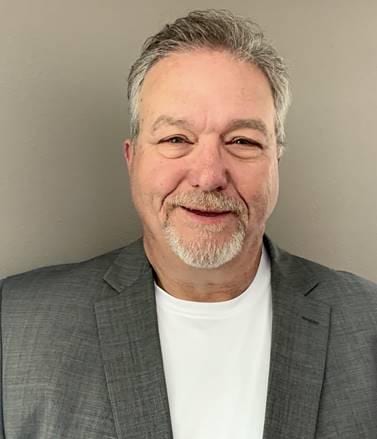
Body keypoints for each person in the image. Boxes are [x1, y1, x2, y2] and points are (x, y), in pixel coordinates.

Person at [1, 9, 376, 439]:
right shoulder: (13, 326)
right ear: (132, 158)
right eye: (176, 139)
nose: (209, 175)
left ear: (276, 161)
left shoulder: (367, 324)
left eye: (242, 141)